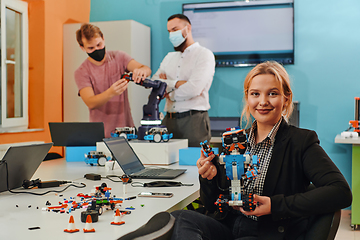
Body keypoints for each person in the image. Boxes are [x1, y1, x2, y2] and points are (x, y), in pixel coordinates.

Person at [169, 61, 352, 240]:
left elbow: (340, 191)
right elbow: (211, 204)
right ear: (247, 98)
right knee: (179, 218)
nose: (262, 102)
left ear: (286, 97)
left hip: (267, 231)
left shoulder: (301, 141)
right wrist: (208, 178)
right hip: (228, 225)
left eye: (272, 93)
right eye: (255, 94)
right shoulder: (235, 141)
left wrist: (275, 205)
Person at [74, 23, 151, 138]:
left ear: (103, 38)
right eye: (91, 48)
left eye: (99, 44)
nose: (96, 49)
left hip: (127, 130)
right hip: (101, 134)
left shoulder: (119, 57)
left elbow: (145, 69)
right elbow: (90, 102)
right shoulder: (82, 71)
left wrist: (142, 71)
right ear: (82, 47)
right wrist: (111, 92)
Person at [152, 14, 215, 147]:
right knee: (166, 163)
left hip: (193, 121)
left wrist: (168, 91)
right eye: (169, 32)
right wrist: (177, 83)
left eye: (175, 29)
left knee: (195, 163)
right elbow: (155, 83)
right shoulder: (169, 57)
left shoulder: (204, 54)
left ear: (188, 28)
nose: (171, 35)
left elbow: (194, 89)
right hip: (168, 120)